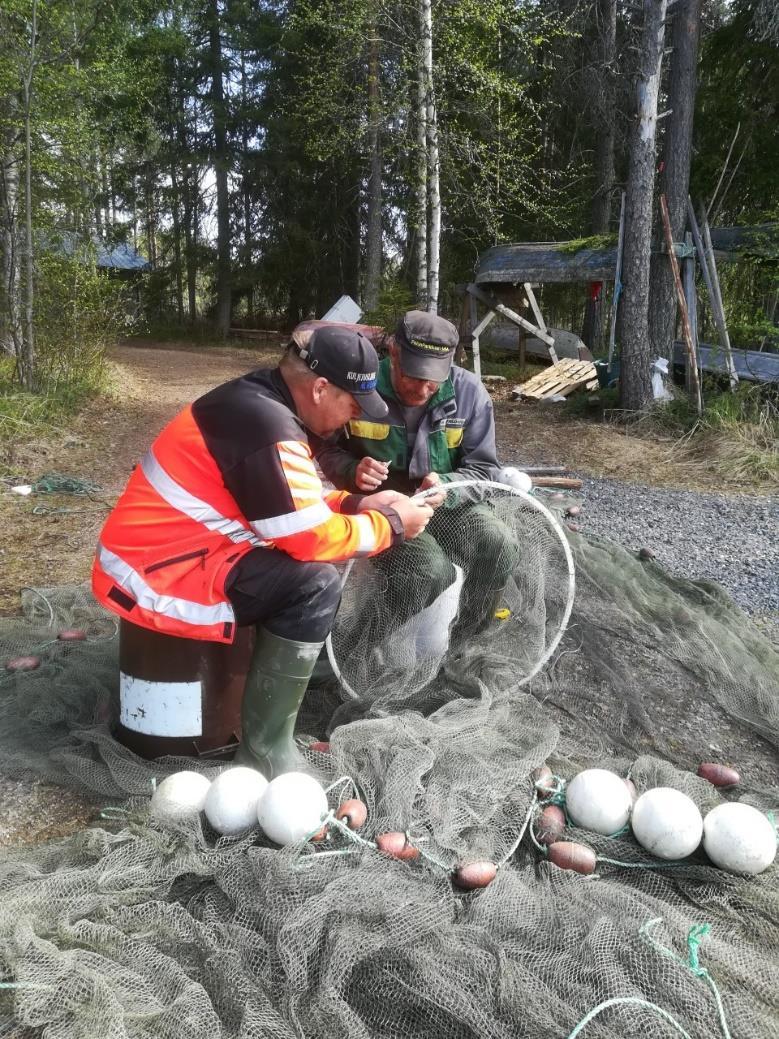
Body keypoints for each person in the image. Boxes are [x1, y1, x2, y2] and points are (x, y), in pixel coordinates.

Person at [92, 326, 433, 776]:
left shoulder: (261, 400)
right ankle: (265, 750)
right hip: (156, 576)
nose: (353, 418)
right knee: (313, 585)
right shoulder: (268, 425)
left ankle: (284, 680)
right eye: (352, 404)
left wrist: (359, 503)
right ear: (319, 388)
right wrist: (391, 524)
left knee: (300, 568)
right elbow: (310, 537)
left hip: (175, 553)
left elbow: (289, 503)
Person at [317, 310, 520, 647]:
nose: (424, 388)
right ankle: (352, 653)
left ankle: (464, 648)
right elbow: (324, 448)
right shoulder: (361, 384)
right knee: (427, 571)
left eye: (434, 378)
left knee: (499, 545)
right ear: (394, 352)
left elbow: (484, 471)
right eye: (415, 375)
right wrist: (353, 470)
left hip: (448, 502)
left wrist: (448, 486)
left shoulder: (469, 393)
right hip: (382, 506)